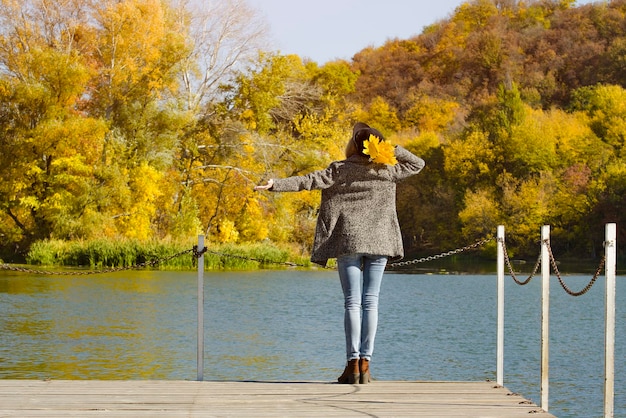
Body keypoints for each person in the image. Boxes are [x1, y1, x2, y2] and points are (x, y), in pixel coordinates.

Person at [254, 122, 425, 384]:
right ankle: (365, 365)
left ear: (352, 146)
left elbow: (309, 181)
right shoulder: (387, 170)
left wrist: (276, 184)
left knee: (352, 303)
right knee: (371, 302)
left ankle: (352, 364)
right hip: (379, 243)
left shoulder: (340, 169)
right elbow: (418, 164)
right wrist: (391, 149)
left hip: (348, 242)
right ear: (378, 145)